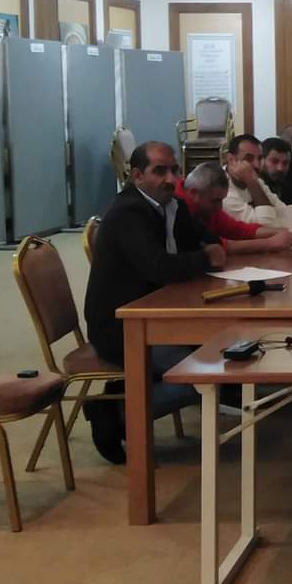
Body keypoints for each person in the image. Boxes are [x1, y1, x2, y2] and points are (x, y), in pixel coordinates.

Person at [84, 141, 226, 463]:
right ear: (137, 175)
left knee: (222, 350)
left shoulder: (171, 205)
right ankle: (115, 412)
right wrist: (205, 257)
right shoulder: (128, 213)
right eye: (159, 171)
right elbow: (159, 266)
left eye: (174, 170)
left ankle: (128, 394)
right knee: (206, 374)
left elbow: (206, 239)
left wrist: (206, 250)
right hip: (122, 326)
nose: (170, 178)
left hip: (160, 312)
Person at [177, 161, 292, 255]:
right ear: (193, 193)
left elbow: (238, 230)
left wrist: (284, 232)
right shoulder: (177, 207)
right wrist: (269, 243)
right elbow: (216, 246)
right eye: (215, 201)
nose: (219, 207)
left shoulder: (209, 203)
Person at [223, 133, 288, 227]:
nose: (257, 165)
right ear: (231, 160)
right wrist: (252, 182)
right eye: (249, 159)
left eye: (260, 158)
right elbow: (266, 226)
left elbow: (285, 214)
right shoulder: (222, 189)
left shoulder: (257, 180)